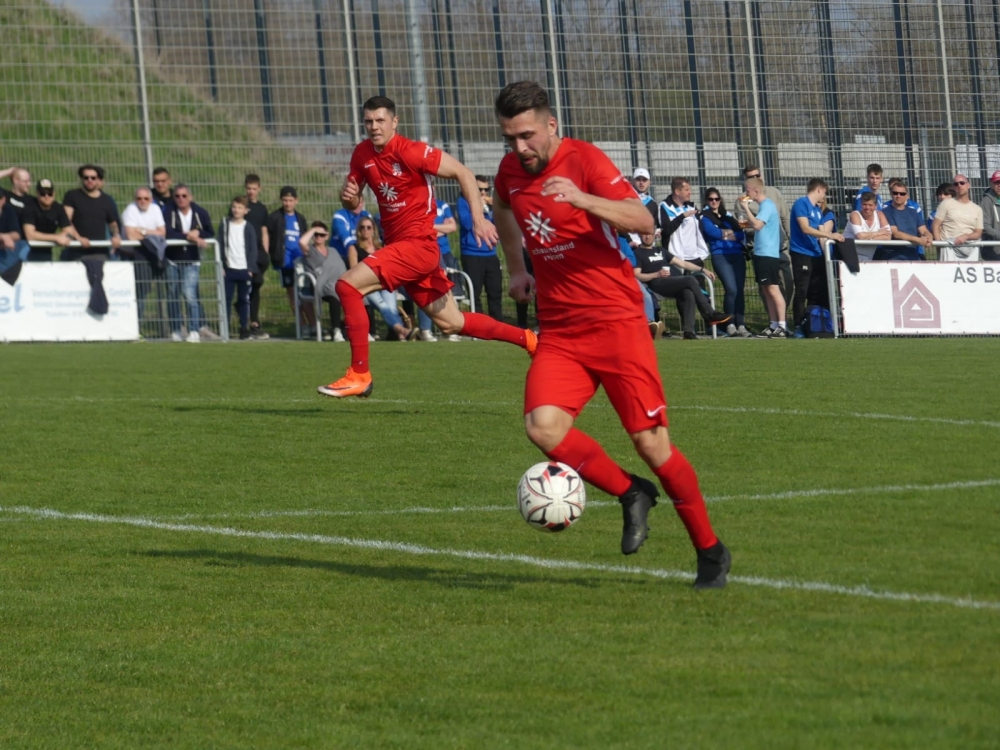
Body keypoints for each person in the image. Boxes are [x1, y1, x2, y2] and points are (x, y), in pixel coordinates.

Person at [492, 80, 730, 589]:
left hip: (616, 323)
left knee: (652, 444)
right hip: (559, 329)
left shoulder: (585, 161)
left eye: (528, 135)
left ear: (551, 125)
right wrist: (516, 268)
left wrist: (583, 199)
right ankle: (630, 493)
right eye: (510, 138)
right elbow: (503, 209)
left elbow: (643, 219)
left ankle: (710, 551)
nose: (520, 148)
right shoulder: (511, 171)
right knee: (543, 427)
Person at [316, 95, 535, 399]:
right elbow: (352, 202)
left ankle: (360, 374)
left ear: (395, 121)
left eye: (380, 120)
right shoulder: (362, 154)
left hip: (418, 246)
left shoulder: (412, 151)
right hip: (404, 250)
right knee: (452, 322)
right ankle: (529, 340)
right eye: (368, 121)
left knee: (347, 286)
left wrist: (478, 219)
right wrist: (348, 196)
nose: (374, 127)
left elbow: (464, 173)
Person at [633, 235, 732, 340]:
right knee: (689, 280)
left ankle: (688, 332)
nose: (647, 237)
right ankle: (709, 313)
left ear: (654, 235)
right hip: (656, 283)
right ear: (640, 235)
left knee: (687, 292)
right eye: (644, 234)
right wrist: (656, 274)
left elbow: (682, 263)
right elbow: (637, 274)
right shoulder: (638, 253)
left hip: (670, 282)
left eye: (649, 234)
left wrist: (702, 269)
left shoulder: (660, 250)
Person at [163, 183, 217, 342]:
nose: (181, 199)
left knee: (189, 294)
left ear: (190, 197)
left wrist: (198, 233)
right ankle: (176, 329)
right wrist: (188, 237)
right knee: (173, 294)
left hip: (192, 261)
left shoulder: (200, 212)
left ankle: (194, 329)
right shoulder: (168, 212)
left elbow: (210, 232)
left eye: (184, 196)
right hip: (172, 260)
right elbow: (168, 233)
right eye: (177, 196)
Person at [347, 215, 413, 342]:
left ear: (373, 230)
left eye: (368, 227)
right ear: (358, 230)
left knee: (391, 307)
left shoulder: (381, 247)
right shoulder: (354, 248)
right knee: (383, 306)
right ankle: (402, 332)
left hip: (384, 283)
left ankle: (400, 333)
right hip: (367, 285)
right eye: (362, 227)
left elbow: (390, 267)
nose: (365, 230)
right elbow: (353, 271)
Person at [789, 178, 844, 328]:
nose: (824, 196)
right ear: (819, 190)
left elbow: (821, 231)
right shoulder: (801, 203)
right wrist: (829, 235)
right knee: (802, 290)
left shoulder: (817, 210)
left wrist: (834, 236)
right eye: (824, 192)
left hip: (816, 254)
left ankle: (813, 323)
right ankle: (798, 325)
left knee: (815, 291)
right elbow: (805, 228)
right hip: (801, 253)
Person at [699, 187, 751, 337]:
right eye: (711, 199)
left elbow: (741, 234)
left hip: (737, 255)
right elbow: (712, 233)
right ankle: (729, 323)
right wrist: (728, 234)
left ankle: (741, 324)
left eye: (717, 199)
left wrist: (724, 234)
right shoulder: (705, 216)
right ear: (707, 201)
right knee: (731, 289)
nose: (714, 202)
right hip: (720, 255)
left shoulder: (727, 216)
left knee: (739, 290)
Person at [738, 164, 793, 306]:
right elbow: (743, 225)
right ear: (745, 179)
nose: (756, 178)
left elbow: (785, 217)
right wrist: (757, 224)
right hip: (762, 249)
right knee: (767, 288)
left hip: (780, 247)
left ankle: (783, 318)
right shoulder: (743, 201)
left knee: (788, 283)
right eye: (751, 177)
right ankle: (774, 321)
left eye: (758, 175)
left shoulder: (774, 193)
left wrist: (791, 238)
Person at [744, 177, 788, 337]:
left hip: (768, 254)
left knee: (773, 289)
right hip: (761, 253)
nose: (746, 194)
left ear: (755, 191)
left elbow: (757, 225)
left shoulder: (768, 205)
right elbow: (755, 224)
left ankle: (782, 325)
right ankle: (773, 323)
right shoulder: (764, 207)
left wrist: (746, 208)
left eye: (748, 190)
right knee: (766, 289)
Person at [458, 175, 504, 322]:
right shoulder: (463, 202)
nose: (483, 193)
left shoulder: (491, 205)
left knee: (495, 292)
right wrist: (478, 210)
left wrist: (493, 208)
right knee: (474, 293)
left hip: (490, 253)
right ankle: (479, 325)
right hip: (472, 254)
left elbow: (500, 225)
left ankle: (497, 325)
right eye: (479, 190)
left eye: (486, 190)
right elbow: (466, 223)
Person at [265, 186, 310, 332]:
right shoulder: (275, 217)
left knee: (305, 293)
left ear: (296, 201)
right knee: (292, 295)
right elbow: (267, 234)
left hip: (301, 261)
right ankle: (301, 325)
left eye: (290, 200)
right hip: (285, 263)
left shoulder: (300, 218)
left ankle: (314, 324)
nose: (288, 203)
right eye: (285, 200)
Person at [121, 187, 167, 325]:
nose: (142, 201)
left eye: (146, 198)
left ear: (151, 199)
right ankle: (136, 326)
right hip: (133, 254)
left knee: (159, 289)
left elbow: (162, 233)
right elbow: (130, 236)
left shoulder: (155, 209)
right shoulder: (130, 210)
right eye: (139, 198)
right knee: (139, 293)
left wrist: (141, 231)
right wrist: (151, 233)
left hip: (153, 253)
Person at [298, 220, 348, 342]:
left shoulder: (333, 251)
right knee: (334, 295)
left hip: (335, 283)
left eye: (322, 235)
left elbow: (340, 268)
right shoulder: (310, 250)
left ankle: (363, 329)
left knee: (357, 296)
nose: (319, 237)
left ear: (327, 236)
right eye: (316, 235)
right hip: (319, 284)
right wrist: (314, 229)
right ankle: (336, 331)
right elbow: (302, 242)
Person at [217, 195, 259, 340]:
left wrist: (250, 268)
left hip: (243, 269)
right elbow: (220, 245)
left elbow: (253, 248)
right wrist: (222, 265)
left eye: (240, 207)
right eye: (234, 207)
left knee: (243, 299)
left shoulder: (248, 227)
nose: (236, 210)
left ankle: (244, 328)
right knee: (226, 299)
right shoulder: (225, 224)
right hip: (229, 269)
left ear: (246, 210)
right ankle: (225, 328)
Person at [62, 164, 122, 261]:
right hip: (77, 251)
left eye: (93, 178)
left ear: (98, 179)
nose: (89, 180)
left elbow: (113, 223)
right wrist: (79, 238)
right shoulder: (72, 196)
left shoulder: (106, 200)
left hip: (101, 251)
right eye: (86, 177)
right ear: (81, 179)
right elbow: (66, 221)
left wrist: (116, 235)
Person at [22, 179, 80, 261]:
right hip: (27, 250)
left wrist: (66, 237)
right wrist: (56, 237)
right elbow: (30, 235)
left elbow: (69, 232)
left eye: (50, 193)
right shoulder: (30, 207)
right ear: (37, 194)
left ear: (54, 194)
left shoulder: (58, 208)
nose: (46, 196)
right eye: (43, 193)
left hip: (46, 252)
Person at [243, 173, 271, 339]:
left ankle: (253, 321)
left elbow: (264, 230)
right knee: (255, 282)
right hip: (245, 252)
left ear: (259, 189)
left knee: (254, 286)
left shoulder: (261, 208)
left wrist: (265, 251)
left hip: (259, 252)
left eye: (254, 189)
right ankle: (252, 322)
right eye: (249, 189)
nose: (251, 192)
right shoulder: (241, 205)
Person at [658, 177, 708, 267]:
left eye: (690, 189)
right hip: (676, 259)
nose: (690, 193)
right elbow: (666, 230)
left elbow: (700, 230)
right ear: (677, 192)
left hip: (695, 257)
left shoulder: (691, 206)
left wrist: (701, 256)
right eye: (686, 190)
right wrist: (682, 217)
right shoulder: (664, 206)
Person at [932, 174, 983, 261]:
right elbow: (935, 226)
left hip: (970, 249)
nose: (959, 185)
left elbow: (978, 233)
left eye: (962, 183)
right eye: (956, 184)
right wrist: (939, 245)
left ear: (968, 185)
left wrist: (966, 236)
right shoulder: (946, 204)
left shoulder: (977, 209)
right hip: (949, 248)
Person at [885, 181, 932, 260]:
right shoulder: (886, 211)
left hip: (914, 256)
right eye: (895, 193)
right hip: (894, 257)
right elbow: (896, 234)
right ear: (891, 194)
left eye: (902, 194)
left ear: (907, 195)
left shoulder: (913, 212)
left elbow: (923, 230)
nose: (898, 196)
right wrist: (918, 240)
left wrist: (928, 237)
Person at [844, 192, 892, 261]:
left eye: (870, 205)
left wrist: (868, 239)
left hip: (868, 258)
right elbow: (860, 236)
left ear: (876, 206)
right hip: (850, 257)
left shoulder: (880, 215)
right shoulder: (855, 215)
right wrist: (878, 233)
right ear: (861, 204)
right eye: (864, 204)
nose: (867, 207)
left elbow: (888, 236)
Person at [978, 171, 1000, 261]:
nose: (999, 186)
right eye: (996, 183)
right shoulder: (986, 201)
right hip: (993, 250)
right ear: (991, 184)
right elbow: (985, 225)